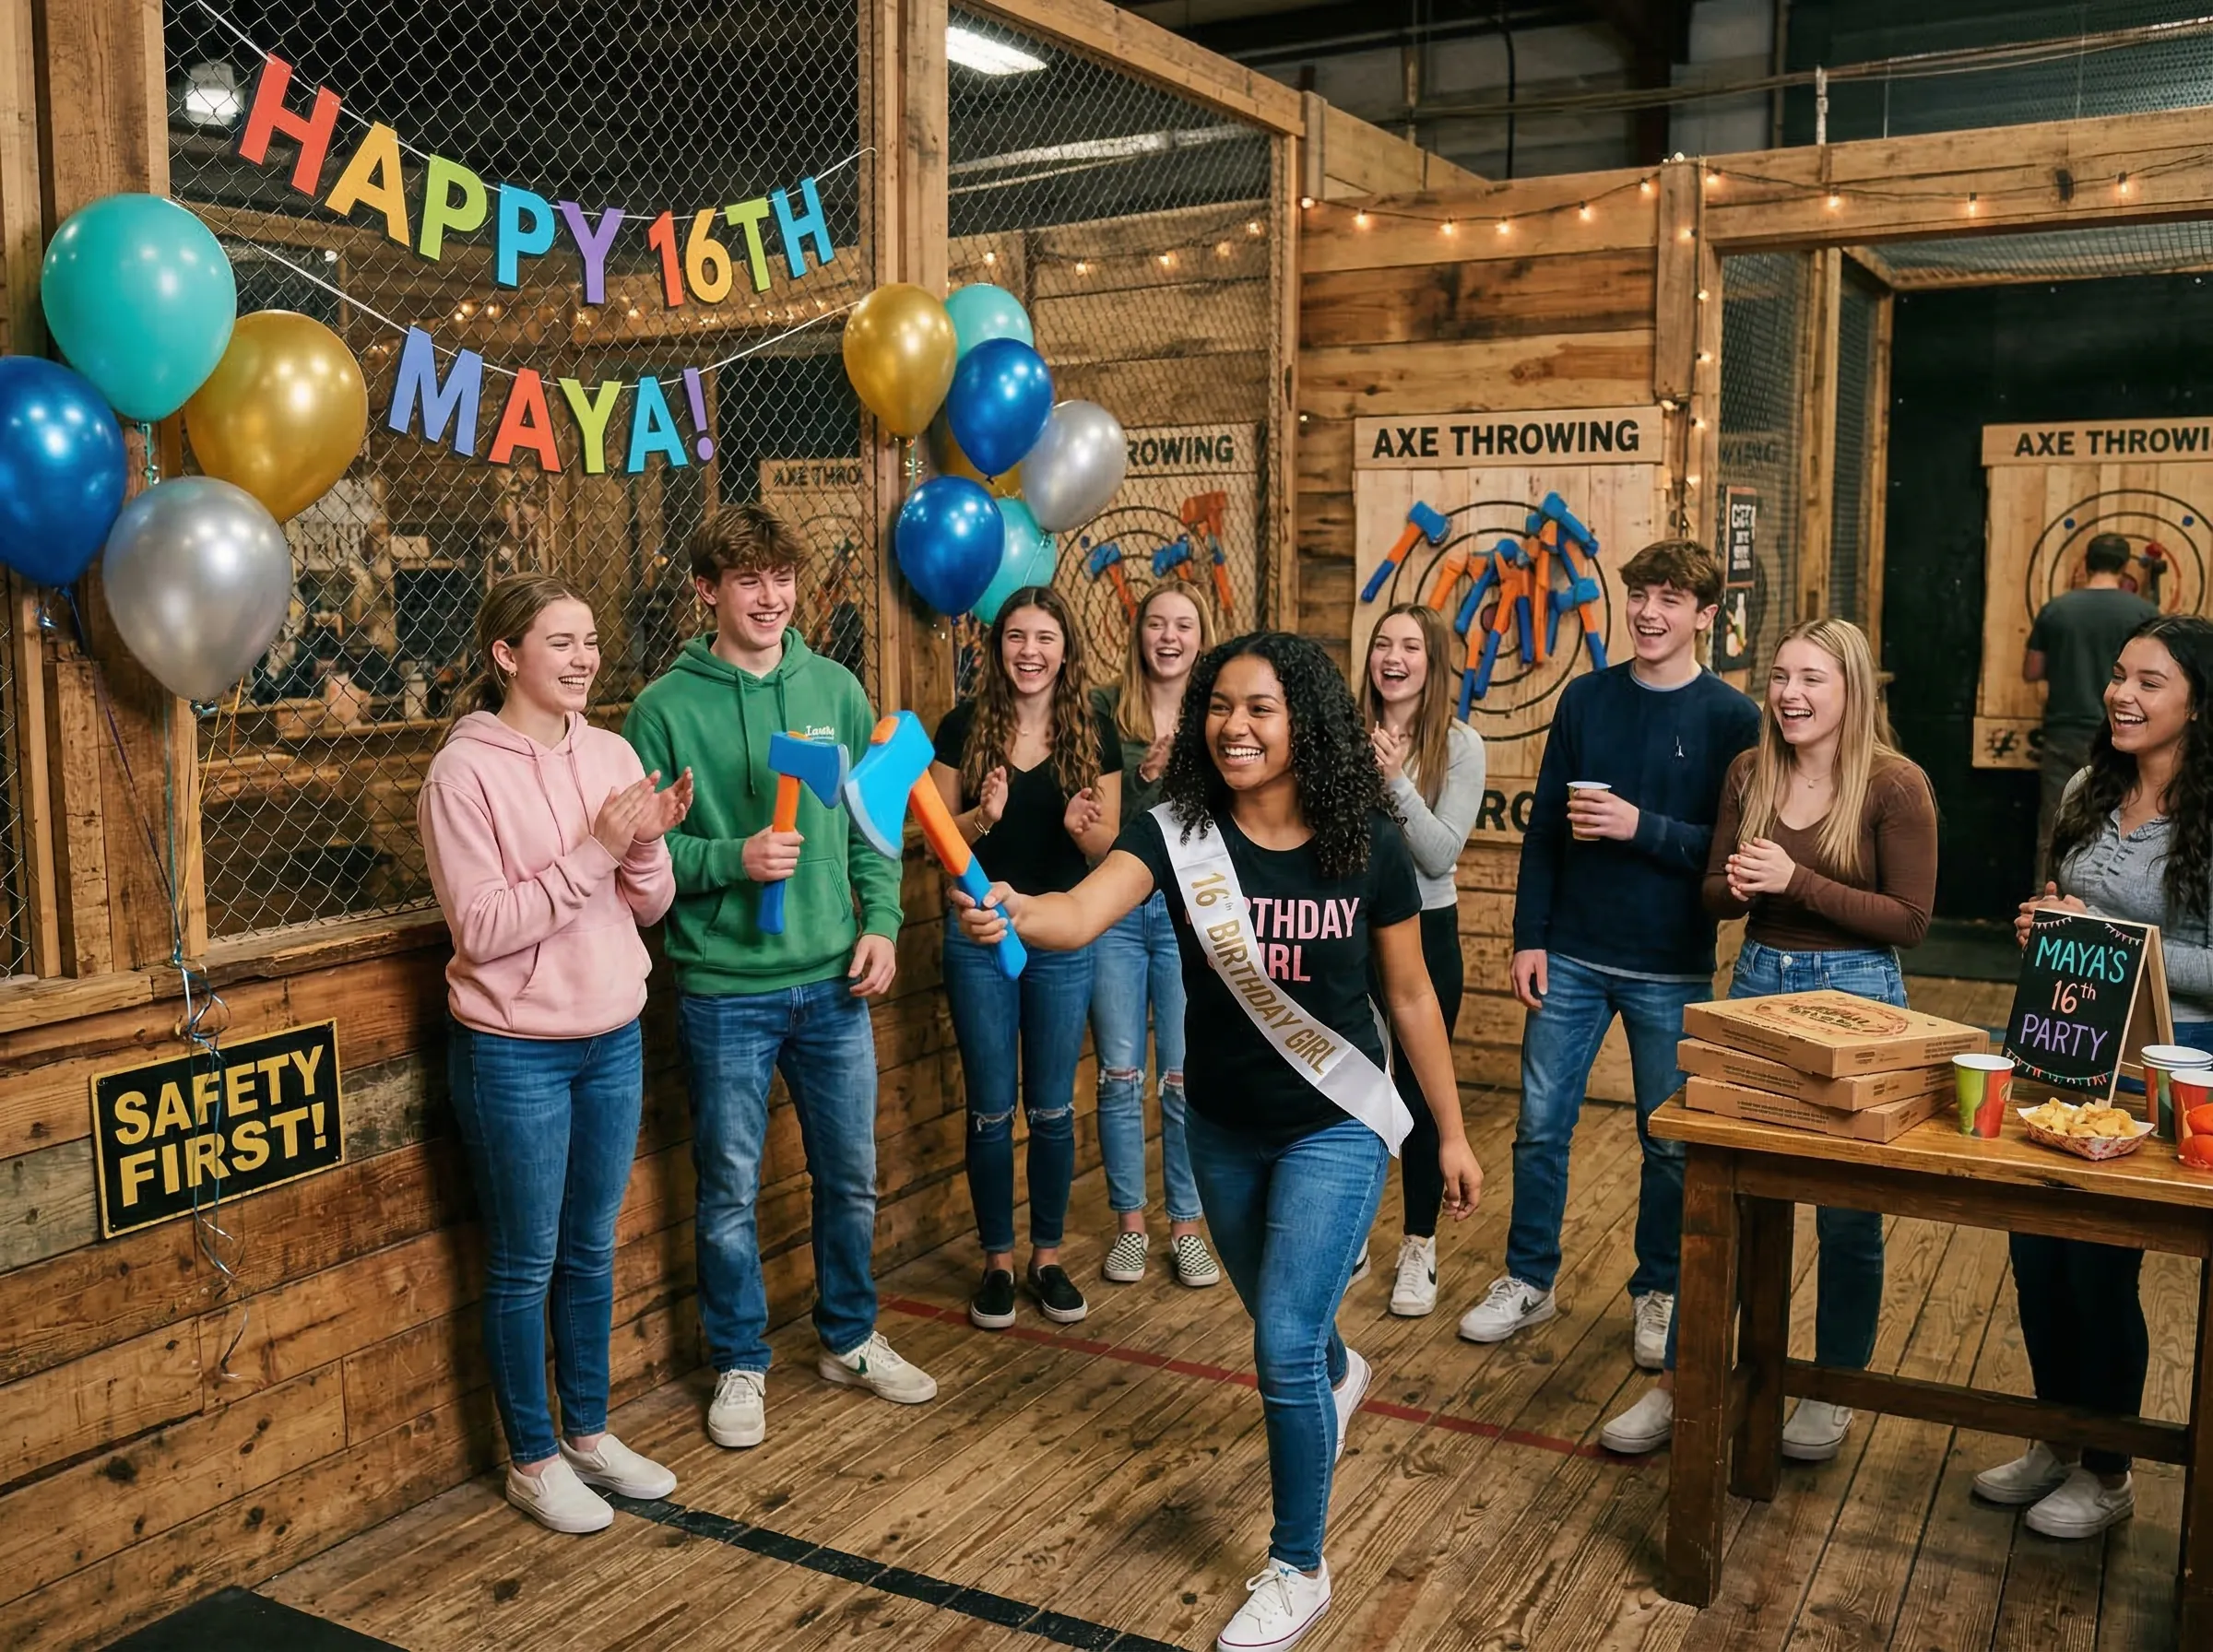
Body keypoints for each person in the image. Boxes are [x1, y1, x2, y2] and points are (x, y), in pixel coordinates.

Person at [953, 630, 1480, 1652]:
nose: (1233, 726)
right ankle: (1338, 1370)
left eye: (1260, 708)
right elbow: (1078, 912)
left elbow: (1411, 996)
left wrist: (1449, 1135)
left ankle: (1298, 1566)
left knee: (1278, 1343)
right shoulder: (1175, 832)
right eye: (1220, 707)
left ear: (1305, 723)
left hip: (1335, 1122)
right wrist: (1016, 909)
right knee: (1297, 1333)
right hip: (1222, 1129)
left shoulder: (1366, 841)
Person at [624, 505, 936, 1457]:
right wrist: (734, 857)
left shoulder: (836, 689)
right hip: (726, 990)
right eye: (749, 580)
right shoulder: (661, 711)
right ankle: (739, 1360)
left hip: (833, 983)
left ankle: (849, 1336)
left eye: (782, 578)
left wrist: (880, 922)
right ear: (707, 590)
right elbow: (644, 852)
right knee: (727, 1188)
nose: (771, 597)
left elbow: (873, 827)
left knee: (851, 1176)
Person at [1599, 618, 1936, 1462]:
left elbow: (1910, 920)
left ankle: (1830, 1390)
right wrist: (1740, 888)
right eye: (1782, 676)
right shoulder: (1750, 770)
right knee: (1723, 1199)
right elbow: (1714, 892)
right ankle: (1683, 1383)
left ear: (1852, 690)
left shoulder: (1895, 784)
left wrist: (1798, 880)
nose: (1789, 694)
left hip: (1858, 997)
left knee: (1846, 1216)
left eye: (1812, 679)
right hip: (1755, 985)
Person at [420, 573, 693, 1534]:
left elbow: (651, 905)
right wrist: (597, 849)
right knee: (523, 1262)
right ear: (507, 656)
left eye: (590, 640)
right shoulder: (462, 774)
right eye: (562, 642)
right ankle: (531, 1461)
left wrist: (646, 844)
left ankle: (587, 1434)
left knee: (589, 1248)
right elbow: (485, 927)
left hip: (612, 1037)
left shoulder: (611, 751)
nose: (585, 659)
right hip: (514, 1053)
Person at [1458, 540, 1759, 1371]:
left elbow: (1731, 851)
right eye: (1640, 595)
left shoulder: (1732, 719)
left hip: (1672, 963)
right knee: (1539, 1129)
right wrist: (1529, 936)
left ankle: (1658, 1289)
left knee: (1668, 1143)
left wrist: (1640, 826)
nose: (1649, 613)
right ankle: (1529, 1279)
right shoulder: (1586, 697)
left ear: (1705, 615)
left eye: (1670, 600)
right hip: (1572, 955)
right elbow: (1545, 833)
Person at [1981, 613, 2213, 1540]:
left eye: (2150, 682)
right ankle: (2059, 1435)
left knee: (2100, 1263)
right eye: (2120, 676)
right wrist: (2045, 923)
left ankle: (2109, 1470)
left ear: (2199, 703)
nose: (2121, 694)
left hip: (2162, 1072)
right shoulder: (2088, 785)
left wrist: (2117, 940)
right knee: (2036, 1252)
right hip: (2061, 1049)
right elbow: (2066, 904)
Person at [932, 586, 1122, 1330]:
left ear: (1066, 650)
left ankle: (1046, 1257)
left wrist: (1081, 831)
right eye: (1016, 637)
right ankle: (998, 1264)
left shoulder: (1093, 731)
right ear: (997, 647)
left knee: (1050, 1108)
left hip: (1060, 940)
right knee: (989, 1110)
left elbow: (1109, 853)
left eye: (1045, 638)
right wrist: (982, 817)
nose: (1030, 652)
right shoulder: (962, 727)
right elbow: (937, 844)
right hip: (979, 937)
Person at [1090, 584, 1222, 1290]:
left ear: (1202, 637)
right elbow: (1102, 831)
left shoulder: (1217, 712)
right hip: (1115, 914)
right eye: (1157, 624)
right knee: (1119, 1077)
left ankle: (1187, 1228)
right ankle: (1131, 1228)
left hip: (1186, 914)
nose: (1169, 637)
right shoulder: (1105, 709)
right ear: (1139, 634)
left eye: (1184, 625)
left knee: (1181, 1078)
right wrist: (1145, 779)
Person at [1359, 603, 1485, 1316]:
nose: (1393, 657)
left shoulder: (1460, 746)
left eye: (1410, 646)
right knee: (1350, 1082)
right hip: (1349, 927)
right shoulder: (1342, 732)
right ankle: (1350, 1233)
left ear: (1433, 664)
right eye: (1383, 644)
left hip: (1426, 928)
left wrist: (1394, 780)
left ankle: (1418, 1245)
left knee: (1419, 1092)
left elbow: (1440, 854)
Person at [2026, 534, 2157, 880]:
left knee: (2054, 827)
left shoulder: (2057, 609)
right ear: (2125, 566)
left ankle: (2045, 904)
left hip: (2064, 730)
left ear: (2086, 562)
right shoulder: (2143, 613)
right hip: (2123, 735)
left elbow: (2032, 670)